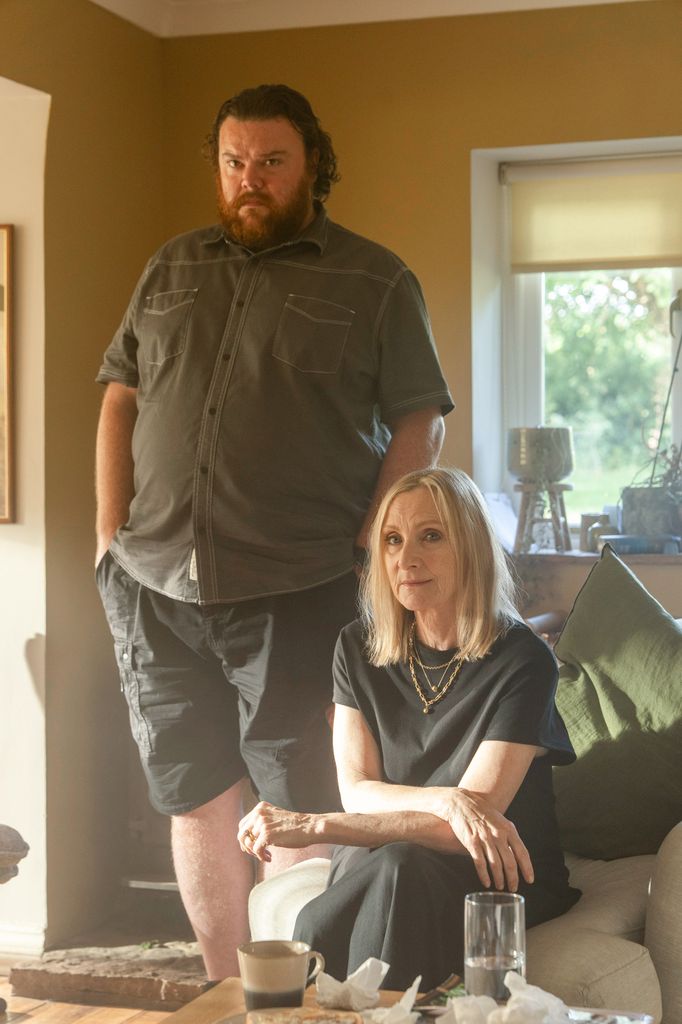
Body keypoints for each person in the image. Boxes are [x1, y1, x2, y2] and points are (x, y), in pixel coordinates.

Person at [94, 84, 453, 980]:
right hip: (155, 589)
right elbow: (119, 399)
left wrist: (376, 545)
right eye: (233, 162)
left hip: (301, 588)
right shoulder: (170, 267)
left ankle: (299, 994)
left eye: (271, 161)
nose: (249, 179)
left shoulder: (375, 280)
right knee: (195, 798)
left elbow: (420, 422)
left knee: (298, 807)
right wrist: (107, 535)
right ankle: (227, 992)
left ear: (312, 167)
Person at [236, 468, 581, 991]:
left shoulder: (524, 660)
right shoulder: (356, 648)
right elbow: (357, 792)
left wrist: (313, 827)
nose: (406, 558)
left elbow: (465, 828)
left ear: (471, 549)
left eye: (431, 536)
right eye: (392, 540)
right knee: (395, 866)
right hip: (381, 858)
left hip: (491, 869)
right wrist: (447, 799)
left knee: (390, 877)